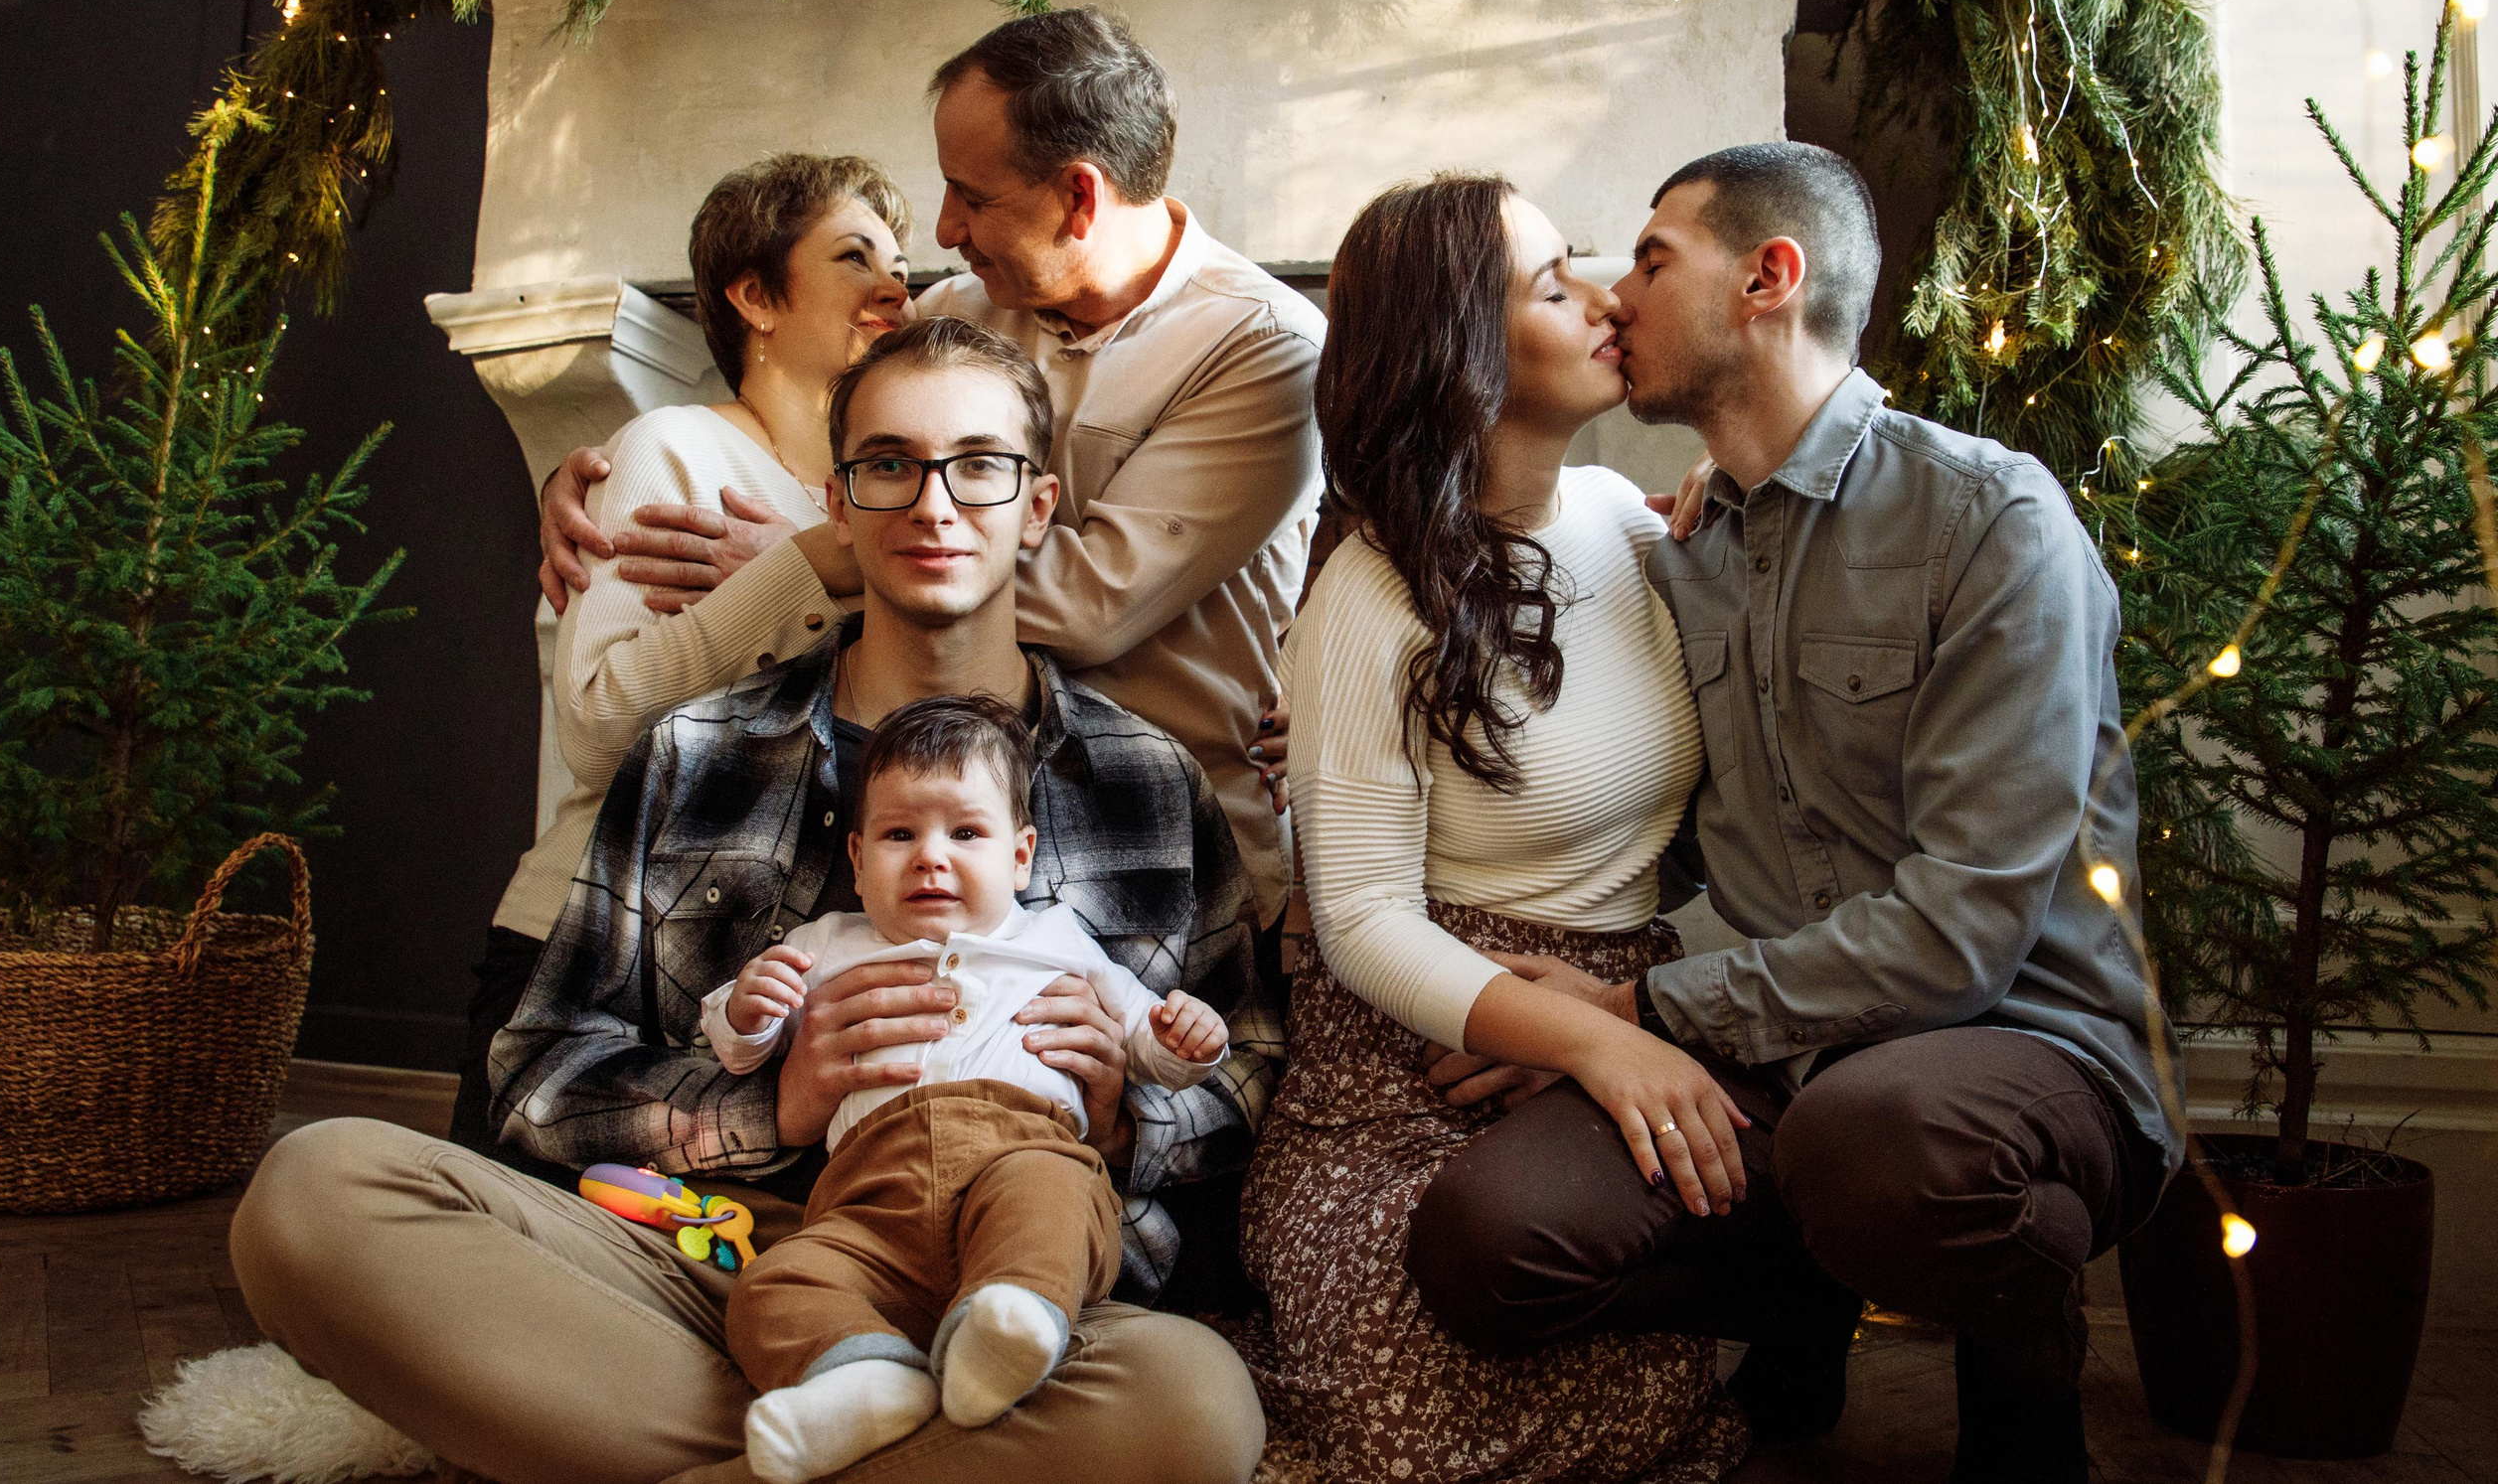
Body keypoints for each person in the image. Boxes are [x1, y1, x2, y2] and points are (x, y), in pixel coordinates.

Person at [231, 319, 1274, 1484]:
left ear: (1036, 505)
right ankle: (870, 1421)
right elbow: (534, 1076)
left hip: (1020, 1275)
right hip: (727, 1259)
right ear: (837, 502)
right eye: (889, 464)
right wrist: (766, 1106)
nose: (934, 505)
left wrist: (1132, 1115)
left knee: (1190, 1408)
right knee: (315, 1195)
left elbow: (1252, 1060)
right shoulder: (696, 751)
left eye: (979, 466)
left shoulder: (1144, 776)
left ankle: (771, 1434)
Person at [1398, 143, 2179, 1484]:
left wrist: (1637, 1012)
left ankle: (2022, 1352)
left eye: (1651, 259)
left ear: (1769, 277)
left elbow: (1961, 937)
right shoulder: (1683, 546)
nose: (1606, 293)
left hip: (2022, 1041)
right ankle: (1797, 1287)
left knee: (1874, 1136)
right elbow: (1634, 788)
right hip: (1789, 1063)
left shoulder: (1992, 521)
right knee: (1486, 1238)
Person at [535, 8, 1323, 923]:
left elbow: (1095, 601)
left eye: (970, 196)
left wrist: (810, 556)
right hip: (940, 845)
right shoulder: (971, 306)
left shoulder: (1264, 347)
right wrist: (597, 465)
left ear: (1079, 197)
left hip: (1159, 850)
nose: (943, 231)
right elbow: (796, 380)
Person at [1238, 174, 1747, 1484]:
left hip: (1623, 992)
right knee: (1407, 1375)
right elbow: (1359, 920)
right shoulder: (1370, 589)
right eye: (1548, 281)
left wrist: (1628, 1015)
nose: (1602, 297)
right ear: (1461, 345)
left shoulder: (1640, 527)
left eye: (1588, 266)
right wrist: (1588, 1041)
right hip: (1413, 1057)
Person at [449, 152, 914, 1161]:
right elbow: (599, 727)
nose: (894, 284)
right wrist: (802, 570)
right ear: (754, 295)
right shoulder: (670, 449)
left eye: (900, 261)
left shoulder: (884, 503)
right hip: (586, 948)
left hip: (738, 981)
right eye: (853, 256)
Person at [705, 694, 1229, 1482]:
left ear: (1021, 856)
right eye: (898, 834)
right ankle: (863, 1374)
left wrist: (1185, 1038)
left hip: (1025, 1155)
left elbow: (1143, 1035)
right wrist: (749, 1006)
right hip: (866, 1207)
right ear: (855, 857)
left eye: (965, 832)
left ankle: (1010, 1320)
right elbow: (735, 1041)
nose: (929, 856)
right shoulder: (827, 946)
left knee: (1049, 1204)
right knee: (771, 1283)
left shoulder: (1057, 941)